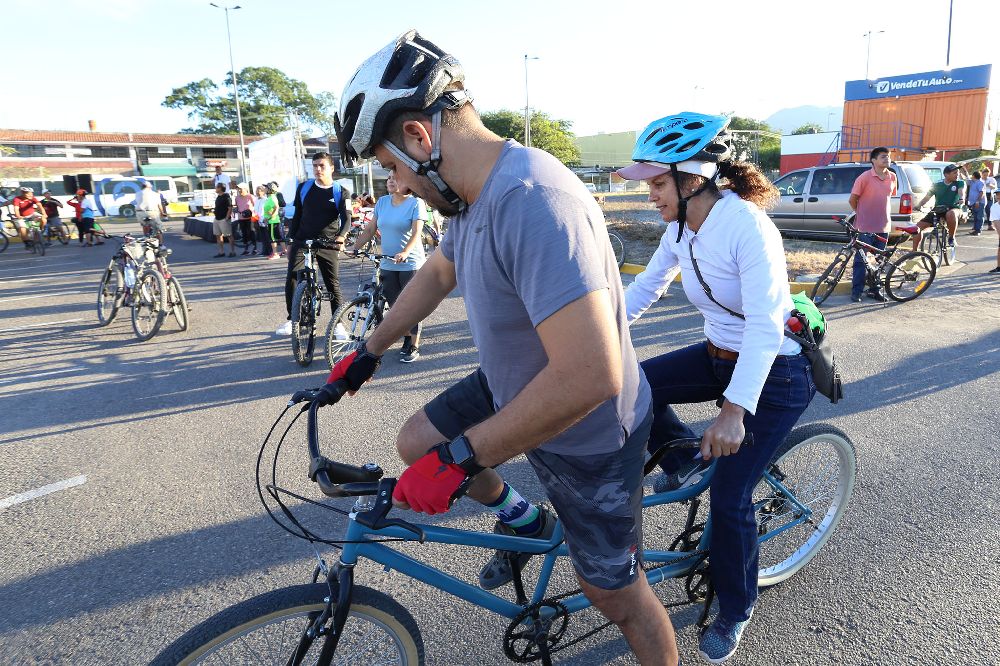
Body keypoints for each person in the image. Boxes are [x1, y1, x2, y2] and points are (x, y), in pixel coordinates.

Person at [324, 31, 677, 666]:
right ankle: (528, 521)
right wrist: (368, 351)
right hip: (512, 383)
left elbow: (589, 375)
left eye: (390, 166)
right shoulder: (469, 196)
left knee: (615, 594)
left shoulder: (534, 201)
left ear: (419, 137)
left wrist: (462, 457)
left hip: (589, 427)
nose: (395, 183)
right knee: (416, 441)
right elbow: (438, 272)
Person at [616, 112, 816, 664]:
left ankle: (736, 607)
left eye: (658, 183)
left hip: (774, 374)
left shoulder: (747, 227)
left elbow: (766, 327)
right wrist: (595, 336)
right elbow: (647, 287)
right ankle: (684, 458)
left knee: (729, 498)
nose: (650, 195)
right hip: (718, 357)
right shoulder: (680, 228)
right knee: (635, 384)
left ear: (693, 179)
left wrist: (732, 413)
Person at [351, 172, 427, 362]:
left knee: (411, 305)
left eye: (396, 177)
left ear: (407, 182)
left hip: (410, 262)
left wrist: (406, 252)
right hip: (388, 262)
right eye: (389, 178)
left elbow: (416, 233)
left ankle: (414, 344)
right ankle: (406, 336)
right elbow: (370, 229)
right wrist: (355, 248)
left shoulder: (416, 203)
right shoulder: (382, 202)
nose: (391, 180)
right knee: (395, 306)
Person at [276, 152, 351, 338]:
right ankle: (293, 320)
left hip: (328, 243)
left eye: (322, 166)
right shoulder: (304, 188)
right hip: (302, 241)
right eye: (315, 165)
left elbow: (347, 218)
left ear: (331, 168)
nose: (318, 169)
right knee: (292, 277)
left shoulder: (341, 192)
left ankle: (338, 324)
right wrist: (291, 241)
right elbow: (297, 216)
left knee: (332, 283)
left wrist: (341, 236)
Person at [847, 147, 896, 302]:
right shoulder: (864, 177)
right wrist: (861, 213)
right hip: (864, 227)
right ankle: (856, 291)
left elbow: (888, 198)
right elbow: (852, 200)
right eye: (883, 157)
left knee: (879, 261)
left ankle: (875, 290)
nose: (887, 159)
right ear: (873, 160)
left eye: (888, 156)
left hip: (883, 226)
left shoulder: (892, 177)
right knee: (861, 261)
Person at [912, 164, 964, 251]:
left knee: (951, 213)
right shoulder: (937, 184)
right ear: (946, 174)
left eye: (957, 172)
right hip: (939, 209)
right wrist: (919, 205)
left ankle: (951, 237)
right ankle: (914, 252)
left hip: (954, 208)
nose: (957, 174)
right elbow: (927, 197)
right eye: (955, 173)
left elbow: (961, 192)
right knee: (917, 228)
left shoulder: (959, 183)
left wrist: (961, 199)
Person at [255, 184, 285, 259]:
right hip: (272, 221)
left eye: (266, 188)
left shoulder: (272, 197)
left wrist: (269, 217)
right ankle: (284, 251)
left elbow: (276, 207)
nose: (264, 189)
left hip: (272, 221)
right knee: (278, 237)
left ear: (270, 190)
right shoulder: (270, 197)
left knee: (272, 238)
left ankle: (275, 254)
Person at [212, 183, 236, 258]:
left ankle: (232, 251)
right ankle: (221, 252)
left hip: (224, 219)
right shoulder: (218, 197)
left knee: (229, 235)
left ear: (220, 188)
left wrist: (226, 218)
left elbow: (230, 208)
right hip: (217, 218)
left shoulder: (226, 197)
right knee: (218, 235)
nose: (215, 189)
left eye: (216, 187)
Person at [233, 182, 257, 255]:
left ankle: (255, 248)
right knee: (244, 234)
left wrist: (252, 213)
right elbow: (238, 207)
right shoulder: (237, 198)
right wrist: (235, 210)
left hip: (250, 218)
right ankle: (246, 249)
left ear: (245, 189)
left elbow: (256, 206)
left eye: (241, 189)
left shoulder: (251, 196)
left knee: (251, 232)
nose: (239, 190)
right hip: (241, 218)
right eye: (238, 189)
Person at [966, 171, 986, 236]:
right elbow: (966, 178)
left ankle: (978, 231)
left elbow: (981, 192)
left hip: (979, 203)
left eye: (972, 175)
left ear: (974, 176)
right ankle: (975, 230)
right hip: (973, 202)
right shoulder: (972, 182)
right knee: (975, 217)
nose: (971, 176)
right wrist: (964, 169)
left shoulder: (980, 183)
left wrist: (978, 201)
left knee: (979, 217)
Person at [988, 191, 1000, 274]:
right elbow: (996, 223)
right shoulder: (994, 207)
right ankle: (999, 267)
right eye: (997, 195)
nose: (998, 196)